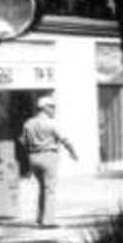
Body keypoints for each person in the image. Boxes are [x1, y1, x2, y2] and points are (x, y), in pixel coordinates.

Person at [20, 95, 77, 228]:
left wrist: (29, 158)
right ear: (44, 108)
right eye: (51, 106)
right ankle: (48, 221)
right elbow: (64, 140)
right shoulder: (51, 123)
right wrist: (73, 153)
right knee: (49, 189)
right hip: (48, 156)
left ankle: (40, 218)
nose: (54, 109)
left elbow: (24, 142)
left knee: (42, 188)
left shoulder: (28, 123)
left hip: (33, 157)